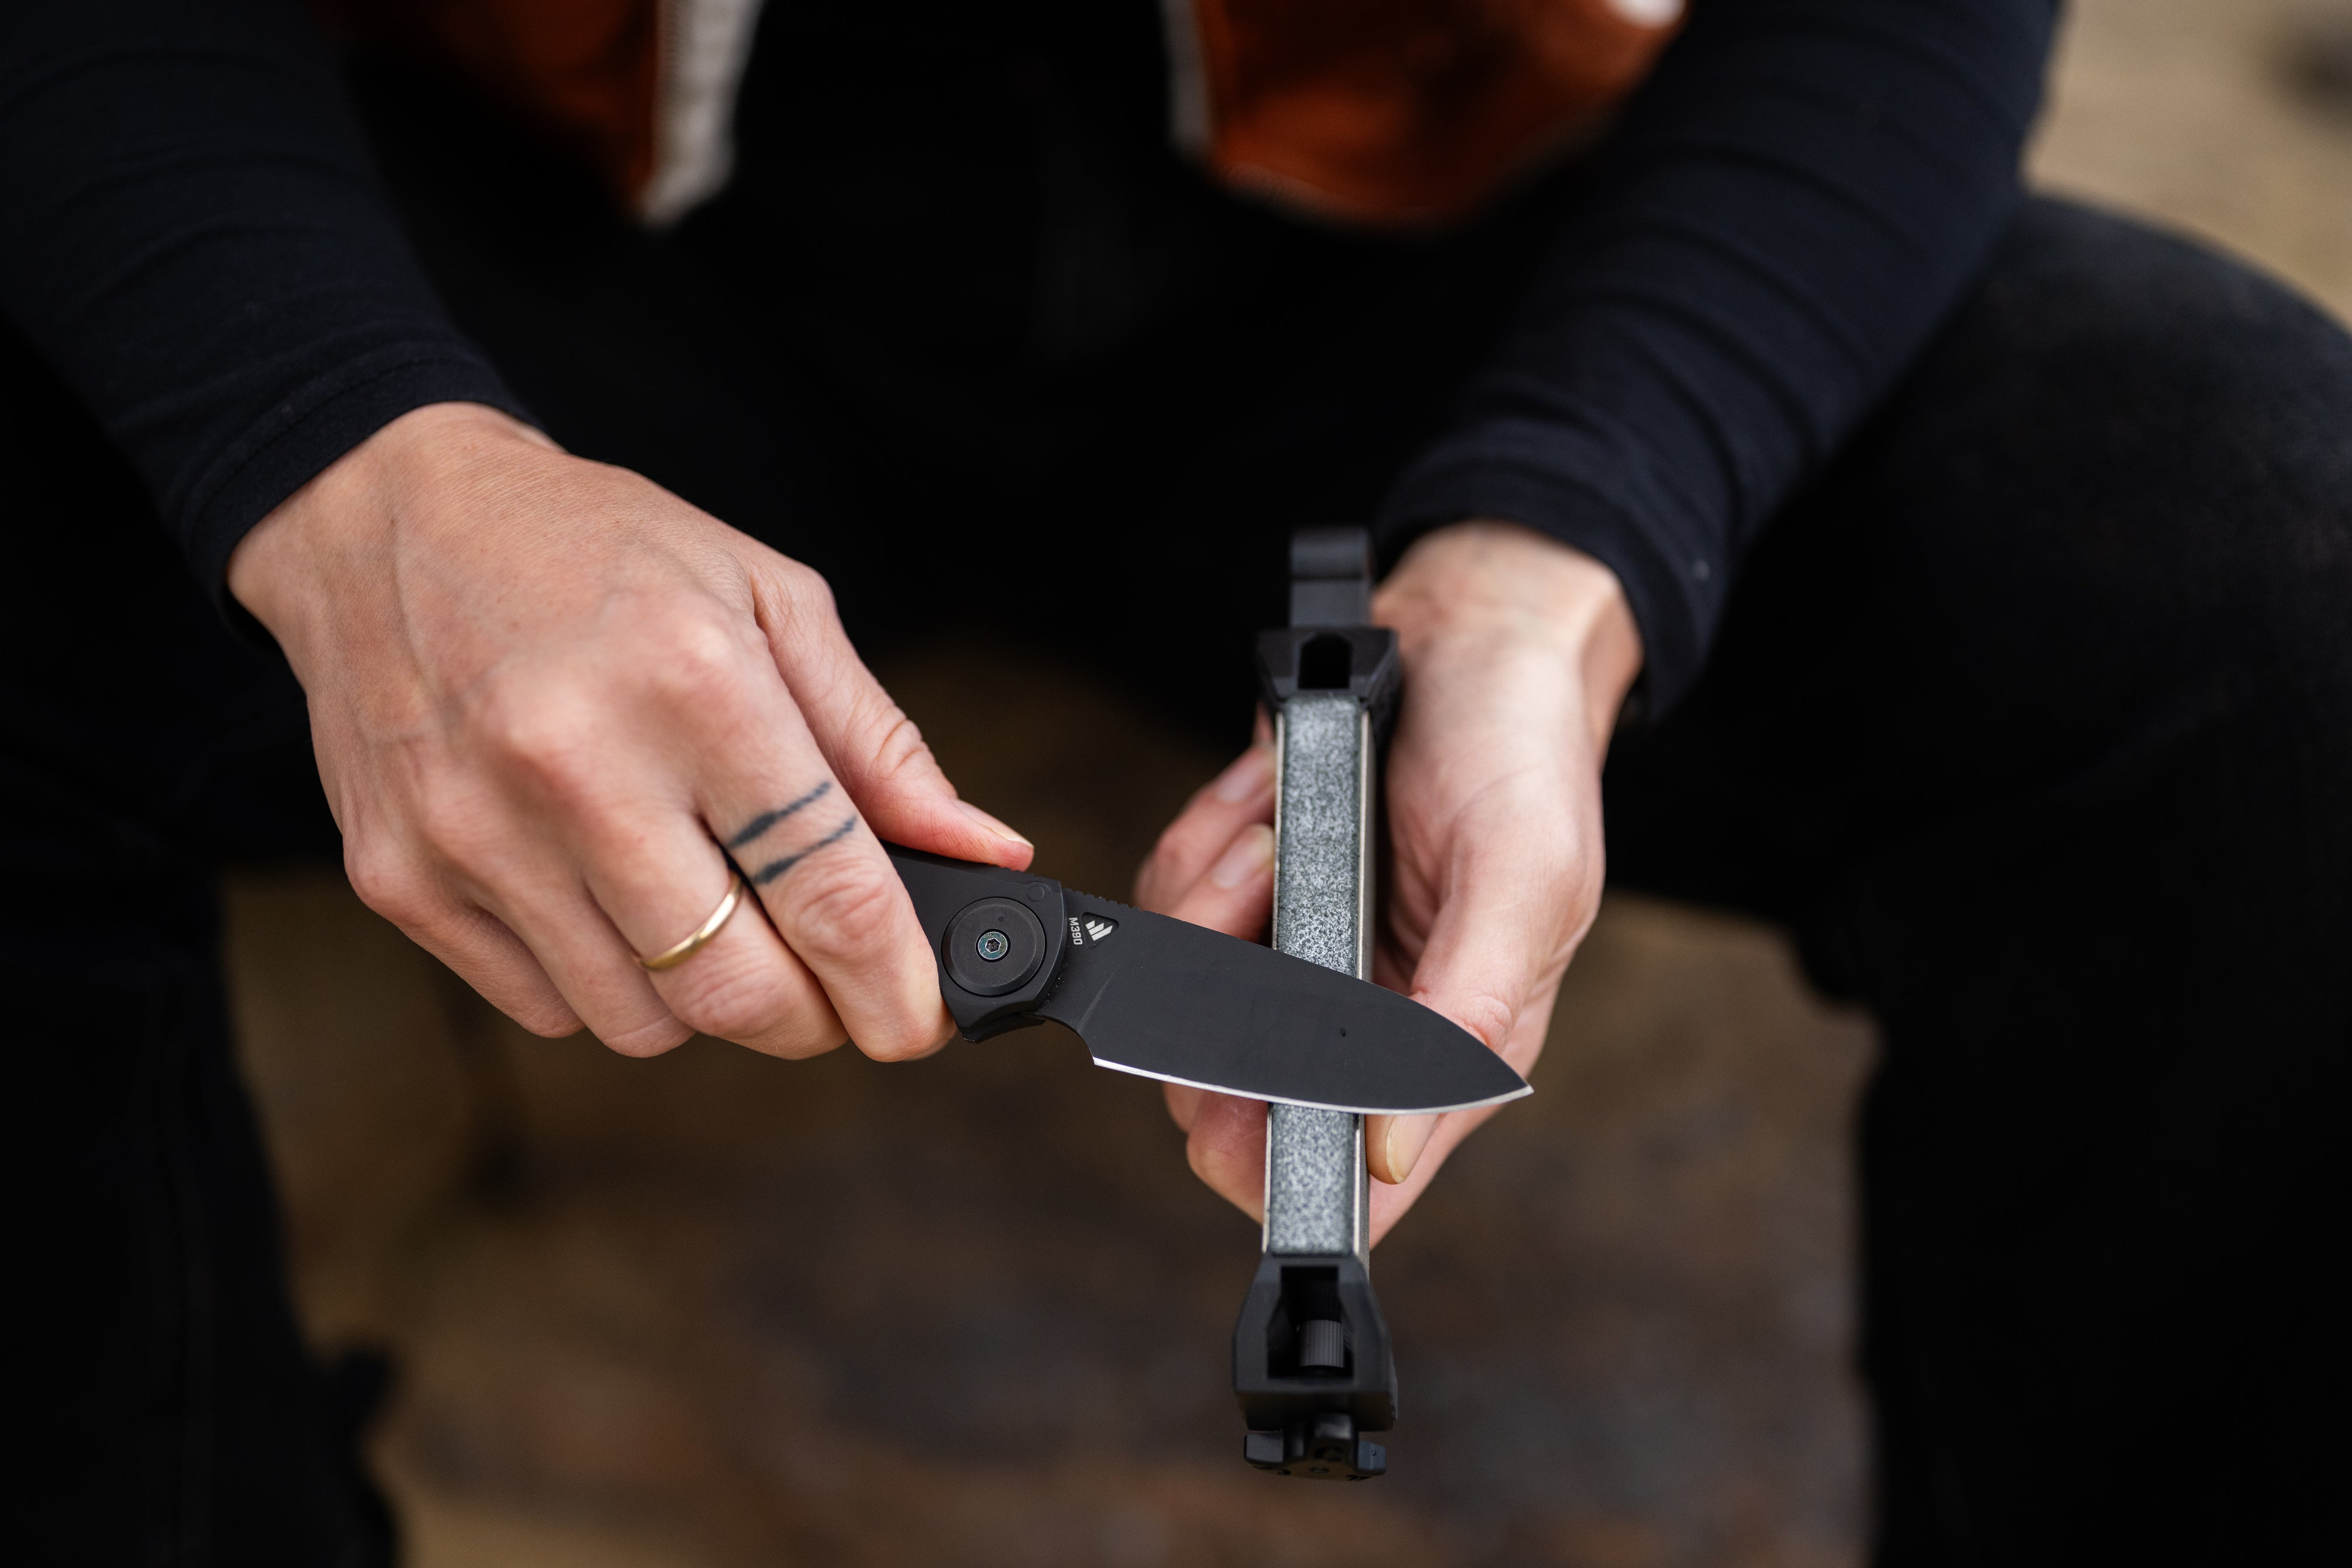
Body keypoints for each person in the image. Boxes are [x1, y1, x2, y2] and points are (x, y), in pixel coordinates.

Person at [4, 0, 2343, 1562]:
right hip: (535, 265)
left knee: (2261, 557)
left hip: (1459, 260)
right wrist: (342, 452)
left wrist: (1573, 541)